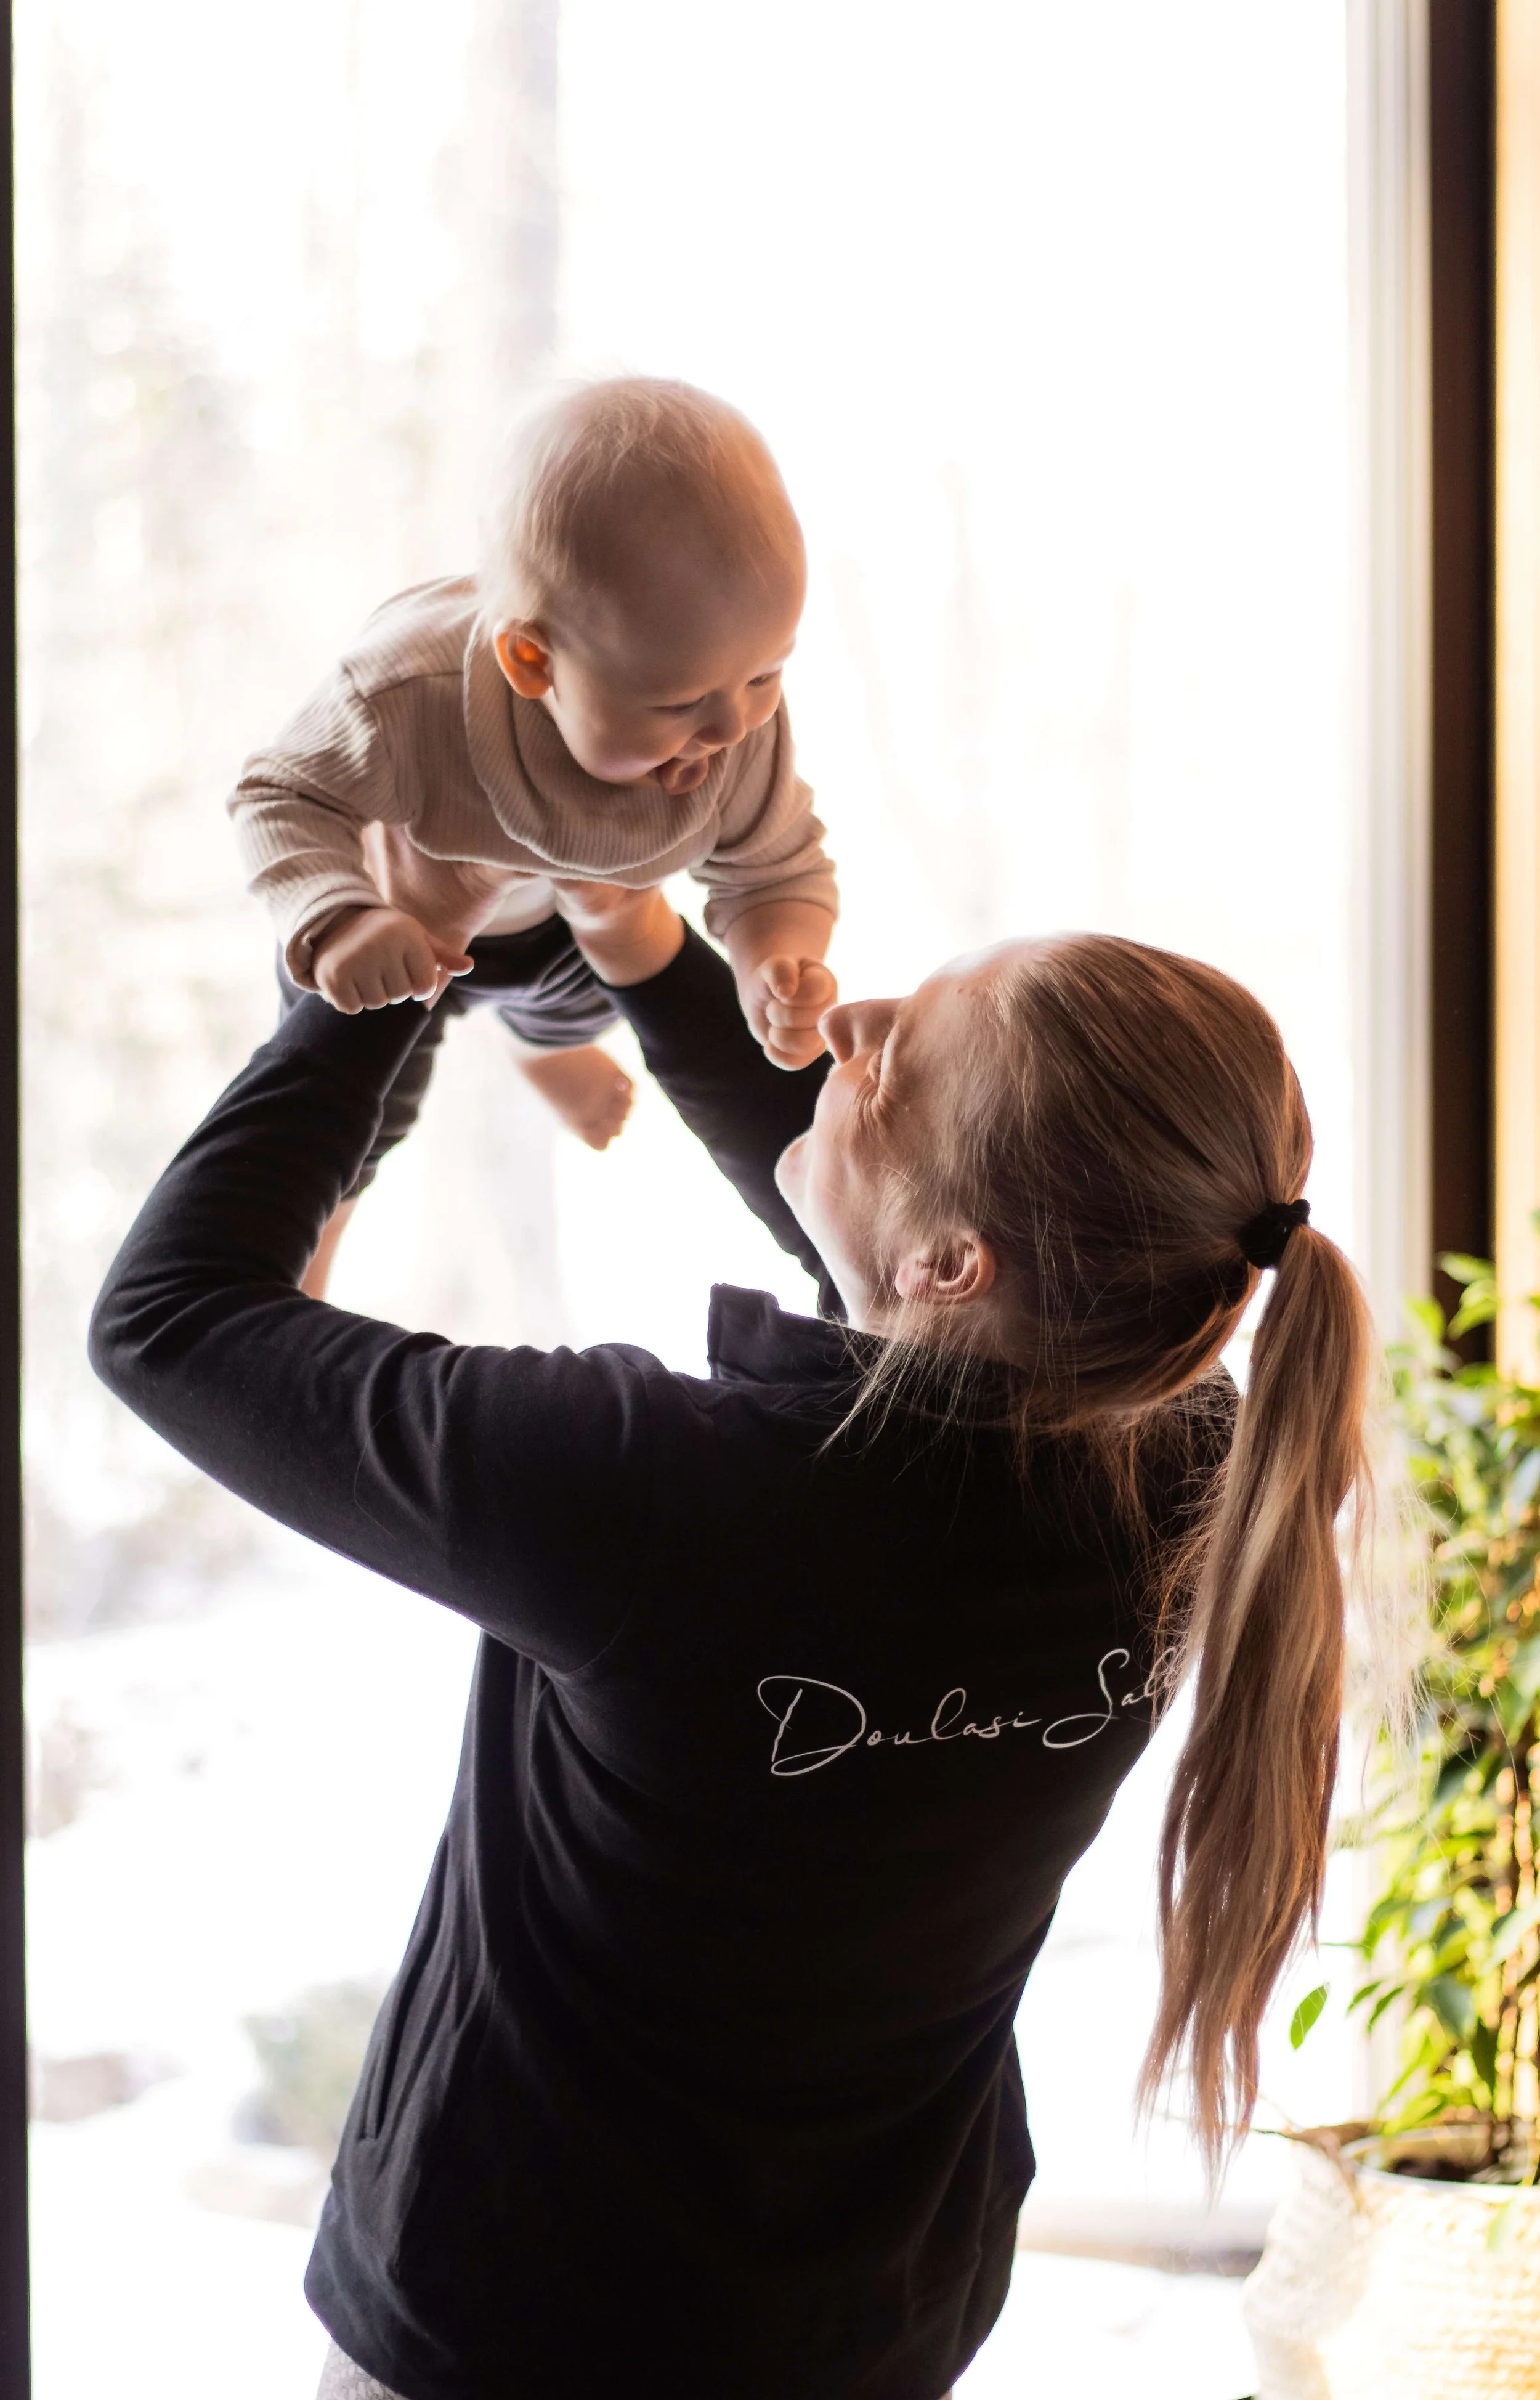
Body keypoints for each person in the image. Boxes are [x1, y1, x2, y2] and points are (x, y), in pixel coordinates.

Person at [89, 897, 1381, 2400]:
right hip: (869, 2320)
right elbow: (925, 1270)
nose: (847, 1023)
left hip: (513, 2335)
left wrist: (376, 973)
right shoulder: (1199, 1475)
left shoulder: (642, 1495)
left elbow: (168, 1319)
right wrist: (635, 945)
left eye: (890, 1058)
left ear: (957, 1262)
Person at [228, 378, 838, 1296]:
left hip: (569, 929)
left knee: (602, 987)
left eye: (767, 674)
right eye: (680, 703)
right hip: (401, 919)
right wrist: (338, 917)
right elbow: (279, 794)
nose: (731, 727)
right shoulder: (408, 696)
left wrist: (776, 961)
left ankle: (540, 1046)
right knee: (361, 1115)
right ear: (531, 660)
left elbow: (776, 869)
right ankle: (301, 1276)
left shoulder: (733, 712)